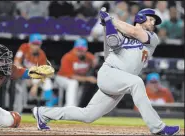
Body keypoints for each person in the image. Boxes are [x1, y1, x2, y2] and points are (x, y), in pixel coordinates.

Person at [32, 8, 180, 135]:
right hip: (110, 73)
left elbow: (134, 31)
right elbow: (112, 43)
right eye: (150, 20)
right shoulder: (121, 34)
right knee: (137, 83)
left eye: (154, 22)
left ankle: (43, 113)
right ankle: (158, 128)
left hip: (120, 80)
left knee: (88, 115)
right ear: (140, 18)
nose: (153, 24)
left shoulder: (152, 38)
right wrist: (108, 24)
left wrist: (111, 19)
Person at [0, 42, 46, 127]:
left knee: (13, 120)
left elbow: (24, 72)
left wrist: (40, 72)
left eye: (6, 59)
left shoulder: (8, 69)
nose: (5, 63)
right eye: (1, 60)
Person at [13, 33, 56, 113]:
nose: (36, 46)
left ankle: (48, 111)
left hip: (35, 77)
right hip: (22, 75)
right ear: (30, 43)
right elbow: (16, 63)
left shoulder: (42, 54)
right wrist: (26, 75)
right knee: (19, 85)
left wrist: (35, 86)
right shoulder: (24, 47)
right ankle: (18, 111)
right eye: (34, 44)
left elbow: (44, 73)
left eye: (38, 44)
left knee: (48, 82)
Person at [55, 38, 97, 106]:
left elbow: (95, 59)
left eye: (82, 50)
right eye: (78, 50)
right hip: (63, 78)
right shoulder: (68, 57)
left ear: (85, 49)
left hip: (79, 79)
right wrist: (88, 79)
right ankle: (69, 107)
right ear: (74, 49)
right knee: (73, 83)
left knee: (81, 86)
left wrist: (95, 61)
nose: (80, 52)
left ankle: (76, 108)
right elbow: (71, 76)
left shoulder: (88, 56)